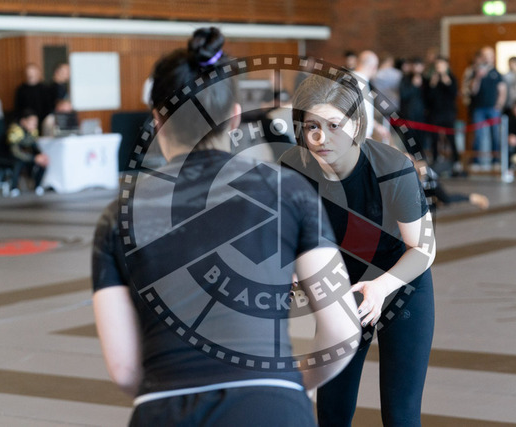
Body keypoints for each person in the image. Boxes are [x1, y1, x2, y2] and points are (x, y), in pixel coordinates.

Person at [92, 27, 359, 426]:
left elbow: (125, 369)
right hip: (273, 407)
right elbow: (341, 331)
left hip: (166, 409)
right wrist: (289, 384)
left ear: (158, 122)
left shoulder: (118, 216)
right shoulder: (289, 191)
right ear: (235, 116)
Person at [280, 72, 436, 427]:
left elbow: (424, 249)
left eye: (334, 125)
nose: (321, 138)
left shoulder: (391, 168)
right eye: (312, 127)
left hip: (400, 282)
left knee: (400, 414)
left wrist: (380, 287)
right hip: (342, 287)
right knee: (332, 411)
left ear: (357, 124)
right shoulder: (292, 166)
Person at [468, 46, 506, 169]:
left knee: (495, 135)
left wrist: (499, 105)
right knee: (478, 135)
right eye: (485, 55)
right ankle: (476, 161)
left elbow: (502, 91)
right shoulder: (475, 72)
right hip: (479, 108)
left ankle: (495, 161)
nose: (487, 58)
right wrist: (478, 76)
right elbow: (473, 90)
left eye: (489, 55)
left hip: (493, 108)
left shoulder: (497, 73)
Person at [425, 55, 459, 172]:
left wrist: (447, 81)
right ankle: (435, 159)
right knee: (434, 138)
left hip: (448, 113)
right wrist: (433, 84)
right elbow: (428, 97)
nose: (439, 67)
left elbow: (454, 94)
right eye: (437, 65)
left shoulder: (451, 78)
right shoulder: (431, 79)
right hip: (435, 113)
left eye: (442, 65)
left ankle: (456, 161)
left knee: (451, 138)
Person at [7, 109, 49, 196]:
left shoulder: (32, 132)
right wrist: (34, 158)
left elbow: (34, 146)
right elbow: (15, 153)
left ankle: (37, 186)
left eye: (35, 123)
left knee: (42, 161)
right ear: (23, 121)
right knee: (18, 163)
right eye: (31, 122)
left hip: (26, 156)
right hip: (10, 157)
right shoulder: (15, 131)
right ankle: (13, 187)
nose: (34, 125)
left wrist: (41, 156)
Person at [399, 57, 428, 155]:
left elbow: (428, 97)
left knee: (421, 138)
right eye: (414, 65)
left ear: (423, 67)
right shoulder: (405, 78)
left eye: (418, 66)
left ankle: (421, 158)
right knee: (409, 138)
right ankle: (410, 157)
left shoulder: (426, 80)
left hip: (422, 114)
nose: (416, 68)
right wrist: (413, 85)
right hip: (409, 114)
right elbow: (403, 94)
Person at [352, 50, 379, 139]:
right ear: (373, 67)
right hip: (359, 138)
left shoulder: (354, 79)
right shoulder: (359, 83)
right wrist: (365, 136)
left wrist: (376, 126)